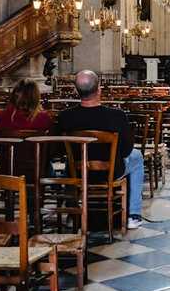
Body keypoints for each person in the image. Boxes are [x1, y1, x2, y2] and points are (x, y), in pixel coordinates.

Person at [56, 70, 145, 230]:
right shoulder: (117, 116)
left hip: (78, 172)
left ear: (76, 91)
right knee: (137, 156)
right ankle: (133, 215)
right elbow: (126, 150)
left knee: (66, 167)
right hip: (110, 172)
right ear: (99, 90)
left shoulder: (65, 117)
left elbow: (59, 148)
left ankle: (73, 212)